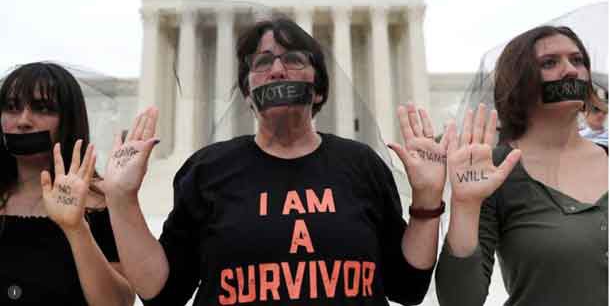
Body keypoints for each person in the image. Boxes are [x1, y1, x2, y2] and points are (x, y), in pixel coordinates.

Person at [102, 17, 452, 305]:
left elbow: (408, 288)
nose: (277, 70)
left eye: (294, 59)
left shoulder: (361, 165)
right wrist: (122, 200)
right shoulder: (207, 170)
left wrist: (426, 199)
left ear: (318, 90)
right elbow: (162, 293)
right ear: (247, 95)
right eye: (263, 62)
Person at [435, 26, 608, 306]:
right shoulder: (495, 171)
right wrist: (465, 206)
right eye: (549, 63)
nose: (571, 71)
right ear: (519, 80)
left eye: (577, 60)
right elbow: (460, 301)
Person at [0, 62, 134, 305]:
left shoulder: (101, 202)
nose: (23, 120)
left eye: (42, 108)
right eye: (11, 107)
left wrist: (77, 230)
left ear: (68, 120)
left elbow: (119, 302)